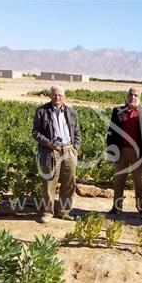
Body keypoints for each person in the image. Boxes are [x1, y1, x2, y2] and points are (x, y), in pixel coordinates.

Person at [32, 85, 81, 223]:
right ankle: (47, 212)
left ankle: (64, 211)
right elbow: (35, 132)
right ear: (50, 96)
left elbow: (77, 132)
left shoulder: (71, 112)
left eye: (60, 95)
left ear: (64, 97)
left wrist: (75, 148)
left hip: (69, 150)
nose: (57, 97)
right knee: (49, 182)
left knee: (69, 181)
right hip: (51, 150)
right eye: (54, 95)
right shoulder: (42, 111)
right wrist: (47, 143)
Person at [106, 87, 142, 216]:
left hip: (138, 153)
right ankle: (117, 207)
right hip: (121, 151)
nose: (133, 97)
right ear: (127, 96)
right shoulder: (117, 111)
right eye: (131, 95)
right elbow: (111, 132)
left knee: (139, 183)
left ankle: (140, 207)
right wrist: (110, 151)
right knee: (119, 181)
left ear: (139, 97)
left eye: (136, 95)